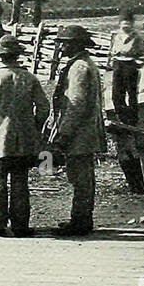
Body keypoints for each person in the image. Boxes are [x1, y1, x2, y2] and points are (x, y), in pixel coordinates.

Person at [0, 34, 50, 237]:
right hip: (23, 138)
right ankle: (20, 225)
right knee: (20, 180)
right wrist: (34, 126)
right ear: (17, 56)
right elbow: (44, 107)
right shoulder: (29, 78)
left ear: (0, 57)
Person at [45, 25, 108, 236]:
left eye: (64, 42)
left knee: (80, 178)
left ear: (74, 44)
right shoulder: (80, 64)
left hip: (80, 132)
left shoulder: (79, 67)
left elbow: (76, 104)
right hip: (83, 130)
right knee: (81, 177)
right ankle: (81, 218)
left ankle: (80, 221)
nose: (60, 46)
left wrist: (64, 134)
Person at [109, 9, 144, 125]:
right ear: (119, 23)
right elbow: (111, 52)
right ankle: (122, 119)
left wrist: (135, 63)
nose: (125, 25)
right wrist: (113, 60)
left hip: (130, 67)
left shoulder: (136, 38)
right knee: (116, 95)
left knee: (131, 95)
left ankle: (132, 121)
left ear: (132, 24)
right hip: (118, 66)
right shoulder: (116, 37)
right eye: (123, 22)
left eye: (128, 22)